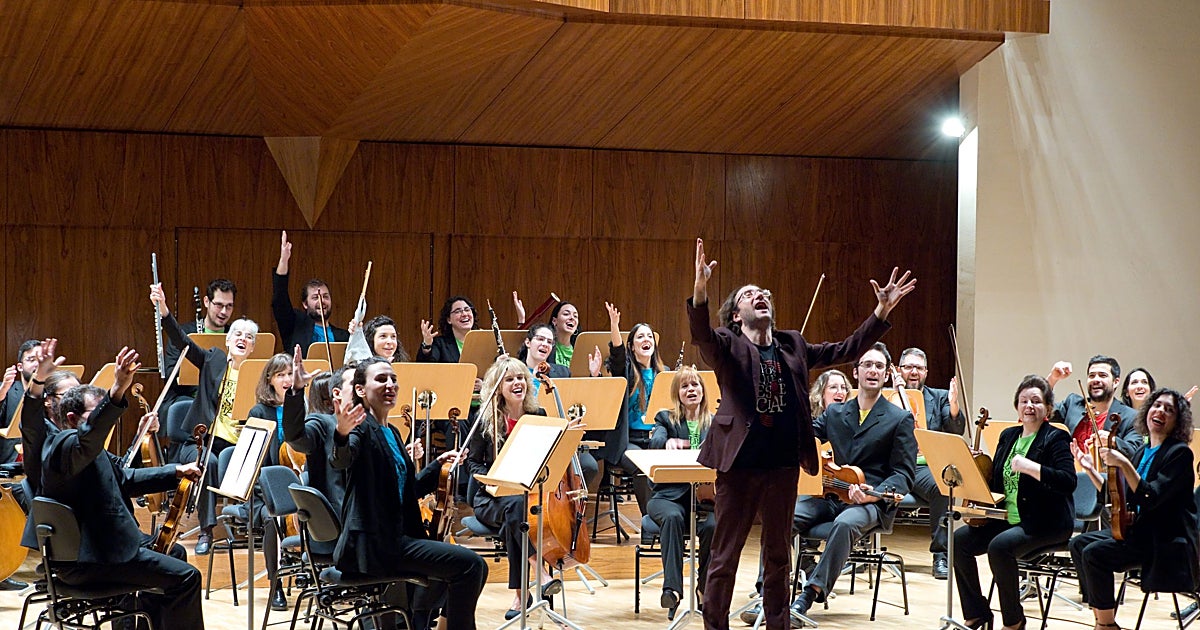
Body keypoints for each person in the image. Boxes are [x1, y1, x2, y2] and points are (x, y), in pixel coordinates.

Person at [688, 237, 914, 630]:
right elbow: (702, 334)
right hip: (739, 465)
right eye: (748, 294)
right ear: (737, 314)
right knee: (725, 556)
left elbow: (846, 348)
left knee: (779, 556)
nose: (760, 296)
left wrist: (880, 311)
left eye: (763, 294)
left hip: (781, 465)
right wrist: (700, 289)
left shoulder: (792, 343)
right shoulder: (727, 344)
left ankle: (778, 624)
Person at [40, 346, 204, 630]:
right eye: (97, 414)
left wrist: (174, 471)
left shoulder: (84, 449)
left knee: (174, 554)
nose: (103, 425)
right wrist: (117, 389)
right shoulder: (65, 447)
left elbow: (125, 478)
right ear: (71, 418)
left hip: (100, 548)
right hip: (93, 560)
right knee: (187, 578)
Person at [331, 357, 487, 630]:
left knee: (475, 566)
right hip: (376, 545)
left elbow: (408, 489)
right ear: (360, 390)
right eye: (381, 379)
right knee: (470, 566)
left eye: (393, 379)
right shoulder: (361, 429)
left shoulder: (390, 431)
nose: (390, 384)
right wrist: (341, 433)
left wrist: (436, 466)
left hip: (398, 538)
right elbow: (341, 459)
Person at [790, 343, 917, 620]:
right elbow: (804, 436)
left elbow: (904, 473)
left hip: (870, 501)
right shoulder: (836, 413)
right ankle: (767, 592)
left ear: (886, 376)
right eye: (867, 365)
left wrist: (875, 494)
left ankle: (808, 595)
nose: (873, 370)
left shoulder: (899, 419)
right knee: (785, 516)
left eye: (879, 366)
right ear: (856, 372)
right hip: (832, 494)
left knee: (845, 524)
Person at [952, 375, 1076, 630]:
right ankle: (977, 613)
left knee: (999, 548)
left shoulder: (1055, 438)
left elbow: (1068, 481)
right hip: (1007, 518)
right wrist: (977, 466)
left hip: (1045, 522)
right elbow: (998, 481)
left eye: (1036, 401)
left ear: (1048, 409)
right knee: (959, 541)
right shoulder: (1008, 436)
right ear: (1016, 407)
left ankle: (1014, 620)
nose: (1029, 406)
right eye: (1023, 401)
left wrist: (1032, 468)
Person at [1069, 388, 1196, 630]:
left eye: (1169, 410)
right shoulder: (1143, 450)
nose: (1160, 411)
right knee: (1079, 543)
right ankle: (1100, 615)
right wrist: (1089, 468)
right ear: (1147, 410)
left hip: (1163, 539)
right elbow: (1117, 494)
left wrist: (1124, 462)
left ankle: (1106, 626)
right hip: (1140, 532)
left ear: (1177, 421)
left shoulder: (1179, 454)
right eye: (1157, 405)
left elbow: (1150, 496)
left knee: (1095, 553)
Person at [152, 281, 259, 555]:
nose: (242, 338)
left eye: (248, 336)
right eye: (237, 333)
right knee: (210, 462)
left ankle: (257, 524)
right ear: (227, 339)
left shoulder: (258, 376)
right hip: (200, 441)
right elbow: (182, 342)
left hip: (239, 443)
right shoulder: (213, 360)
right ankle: (207, 531)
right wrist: (164, 312)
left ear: (253, 347)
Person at [466, 357, 564, 620]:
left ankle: (521, 595)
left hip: (524, 495)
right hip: (490, 497)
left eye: (520, 377)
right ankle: (539, 573)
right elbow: (473, 464)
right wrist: (495, 480)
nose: (517, 383)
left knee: (517, 514)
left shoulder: (538, 416)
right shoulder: (485, 418)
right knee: (516, 509)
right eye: (509, 379)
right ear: (498, 387)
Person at [648, 367, 716, 620]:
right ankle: (672, 590)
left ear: (703, 390)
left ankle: (704, 588)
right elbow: (655, 442)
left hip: (708, 497)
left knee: (714, 525)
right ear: (677, 393)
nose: (691, 390)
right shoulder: (666, 419)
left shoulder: (716, 422)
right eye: (685, 386)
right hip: (668, 496)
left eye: (695, 385)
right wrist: (666, 443)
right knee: (674, 518)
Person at [897, 346, 967, 579]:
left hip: (922, 468)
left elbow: (956, 428)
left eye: (918, 368)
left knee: (943, 484)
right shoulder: (888, 397)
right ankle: (857, 553)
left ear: (926, 372)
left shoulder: (938, 397)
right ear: (899, 371)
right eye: (908, 367)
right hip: (893, 466)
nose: (913, 372)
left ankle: (941, 555)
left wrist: (954, 405)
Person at [248, 351, 296, 611]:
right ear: (270, 380)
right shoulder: (259, 411)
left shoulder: (301, 407)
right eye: (281, 375)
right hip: (265, 491)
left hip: (297, 486)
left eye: (290, 374)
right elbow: (254, 463)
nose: (287, 379)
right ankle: (275, 583)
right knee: (272, 519)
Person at [160, 278, 237, 439]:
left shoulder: (236, 337)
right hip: (188, 399)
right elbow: (170, 374)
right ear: (206, 302)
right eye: (219, 305)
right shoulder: (186, 332)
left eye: (229, 306)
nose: (224, 312)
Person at [604, 301, 659, 514]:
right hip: (628, 442)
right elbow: (617, 356)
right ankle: (650, 521)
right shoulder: (626, 371)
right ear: (632, 346)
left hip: (656, 439)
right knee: (643, 467)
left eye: (649, 336)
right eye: (640, 337)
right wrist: (615, 325)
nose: (646, 340)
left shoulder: (664, 373)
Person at [272, 230, 348, 357]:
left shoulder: (344, 336)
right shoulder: (295, 325)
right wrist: (284, 261)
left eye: (325, 296)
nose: (322, 301)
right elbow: (280, 300)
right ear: (305, 304)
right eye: (315, 297)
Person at [1046, 356, 1141, 457]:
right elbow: (1042, 412)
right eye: (1091, 376)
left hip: (1104, 472)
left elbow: (1136, 453)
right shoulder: (1072, 404)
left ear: (1116, 382)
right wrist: (1052, 379)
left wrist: (1112, 441)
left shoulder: (1131, 416)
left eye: (1102, 375)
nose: (1096, 380)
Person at [0, 339, 42, 466]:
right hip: (9, 463)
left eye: (41, 360)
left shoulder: (52, 393)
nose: (37, 364)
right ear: (20, 366)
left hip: (41, 466)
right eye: (31, 359)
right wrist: (3, 390)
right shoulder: (7, 390)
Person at [418, 296, 478, 364]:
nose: (464, 314)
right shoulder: (440, 344)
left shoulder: (482, 340)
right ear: (449, 319)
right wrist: (427, 345)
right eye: (457, 311)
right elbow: (427, 367)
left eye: (467, 310)